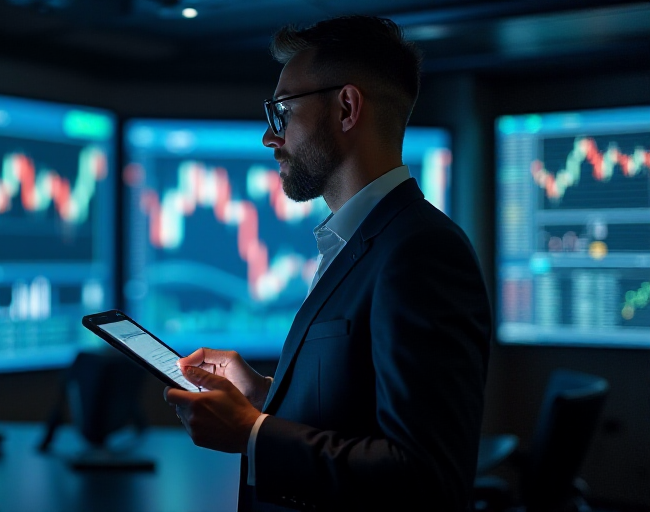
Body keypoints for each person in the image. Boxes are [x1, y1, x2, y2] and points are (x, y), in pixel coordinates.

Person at [163, 15, 492, 512]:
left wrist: (253, 434)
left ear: (346, 107)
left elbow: (427, 476)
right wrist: (264, 393)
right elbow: (361, 407)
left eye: (282, 113)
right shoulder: (359, 239)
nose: (269, 138)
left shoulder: (420, 251)